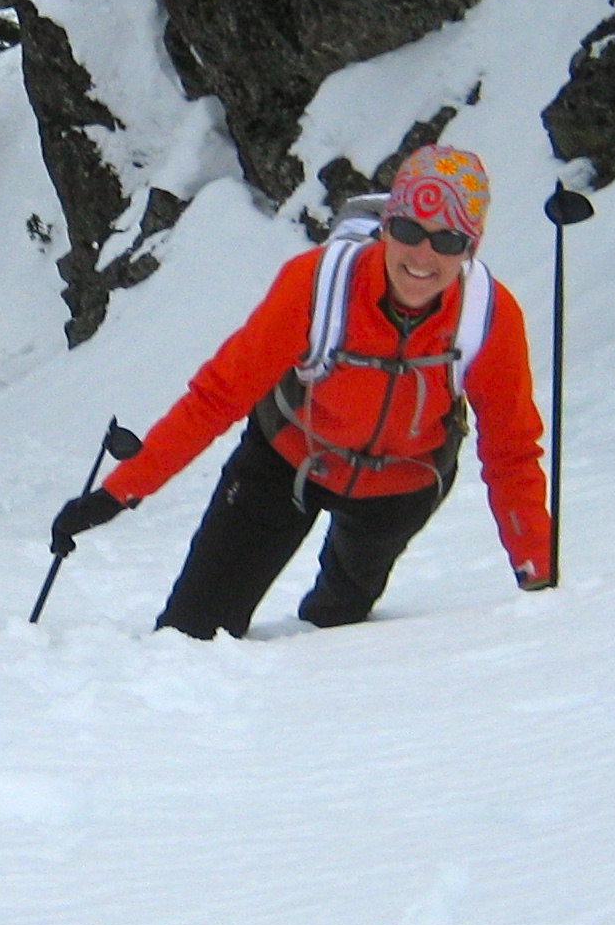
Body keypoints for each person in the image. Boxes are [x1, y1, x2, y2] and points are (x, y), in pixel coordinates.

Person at [51, 144, 555, 637]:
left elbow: (510, 449)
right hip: (285, 461)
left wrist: (535, 564)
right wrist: (120, 491)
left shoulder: (487, 318)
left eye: (448, 241)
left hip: (400, 488)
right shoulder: (316, 284)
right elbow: (218, 396)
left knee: (337, 629)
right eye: (408, 231)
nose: (424, 255)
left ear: (471, 248)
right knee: (191, 632)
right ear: (386, 227)